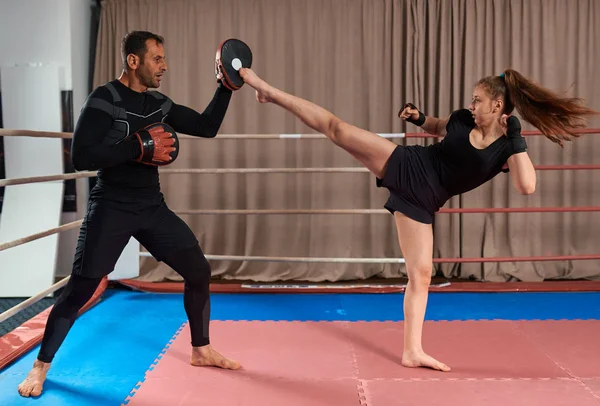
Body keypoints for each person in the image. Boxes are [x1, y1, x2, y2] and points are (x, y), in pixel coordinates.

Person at [238, 67, 599, 372]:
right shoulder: (462, 119)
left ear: (497, 105)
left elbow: (527, 186)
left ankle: (412, 351)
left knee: (421, 273)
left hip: (424, 200)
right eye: (472, 100)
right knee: (337, 129)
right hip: (409, 164)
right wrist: (419, 118)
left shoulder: (506, 147)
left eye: (477, 100)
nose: (471, 105)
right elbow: (439, 127)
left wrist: (517, 136)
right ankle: (269, 91)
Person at [17, 31, 241, 398]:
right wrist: (134, 147)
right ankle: (40, 367)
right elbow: (82, 158)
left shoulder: (158, 104)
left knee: (198, 270)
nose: (164, 66)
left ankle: (201, 349)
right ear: (133, 61)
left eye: (163, 59)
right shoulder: (104, 100)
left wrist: (226, 87)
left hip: (151, 206)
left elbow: (206, 127)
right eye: (157, 59)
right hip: (111, 206)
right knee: (80, 289)